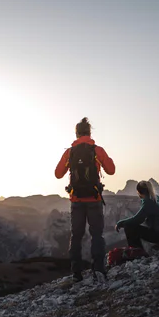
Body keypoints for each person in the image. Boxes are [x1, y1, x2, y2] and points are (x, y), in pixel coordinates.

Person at [55, 117, 115, 282]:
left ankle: (76, 273)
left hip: (76, 200)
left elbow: (58, 174)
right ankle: (99, 270)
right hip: (94, 198)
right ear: (89, 133)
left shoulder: (70, 152)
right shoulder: (97, 150)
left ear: (76, 133)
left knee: (76, 236)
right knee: (97, 235)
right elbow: (111, 170)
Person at [115, 181, 159, 254]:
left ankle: (136, 252)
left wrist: (120, 223)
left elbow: (137, 219)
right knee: (131, 225)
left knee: (129, 226)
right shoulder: (152, 200)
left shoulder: (149, 203)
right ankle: (137, 251)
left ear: (139, 192)